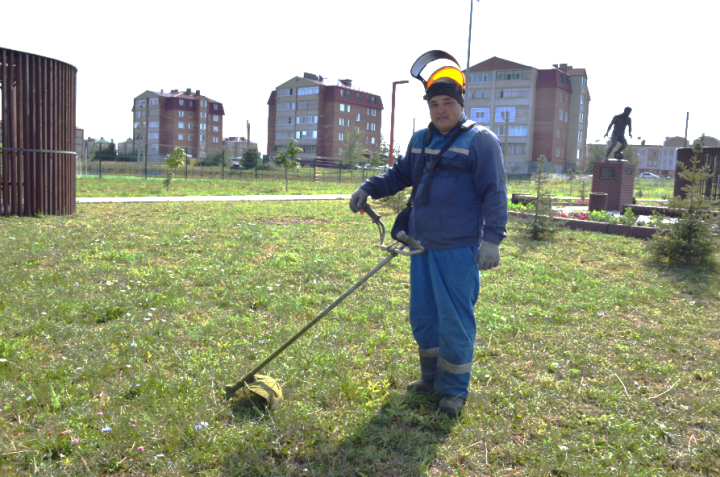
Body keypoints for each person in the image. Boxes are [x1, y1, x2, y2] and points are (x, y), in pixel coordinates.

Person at [348, 54, 507, 417]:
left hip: (458, 246)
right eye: (434, 104)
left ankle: (454, 390)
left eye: (447, 103)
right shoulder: (420, 139)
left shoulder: (481, 141)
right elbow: (400, 175)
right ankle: (431, 379)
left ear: (460, 105)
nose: (440, 109)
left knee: (455, 317)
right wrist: (369, 187)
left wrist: (492, 240)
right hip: (419, 244)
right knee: (423, 315)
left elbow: (494, 192)